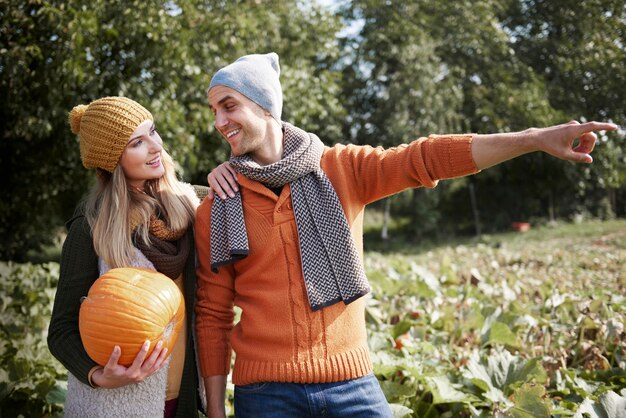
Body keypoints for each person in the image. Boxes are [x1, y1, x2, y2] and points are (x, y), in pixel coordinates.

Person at [194, 53, 618, 417]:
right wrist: (215, 410)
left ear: (266, 106)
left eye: (228, 106)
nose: (219, 121)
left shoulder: (342, 168)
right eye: (214, 111)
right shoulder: (219, 204)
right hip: (266, 395)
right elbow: (213, 315)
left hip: (351, 383)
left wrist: (535, 139)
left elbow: (426, 158)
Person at [48, 96, 207, 417]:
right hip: (113, 406)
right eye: (137, 142)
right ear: (113, 159)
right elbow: (61, 331)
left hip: (183, 400)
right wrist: (98, 375)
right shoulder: (92, 225)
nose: (155, 146)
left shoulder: (189, 203)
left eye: (153, 132)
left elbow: (245, 188)